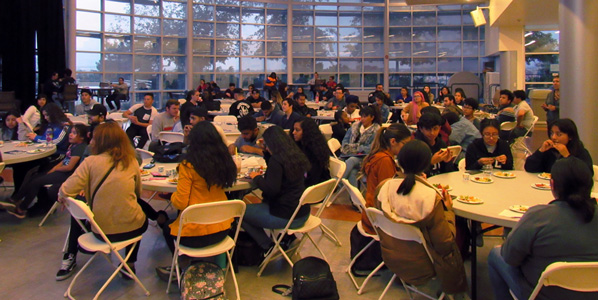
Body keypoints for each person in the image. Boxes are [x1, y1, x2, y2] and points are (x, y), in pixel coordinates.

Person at [488, 157, 598, 300]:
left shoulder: (539, 216)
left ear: (552, 185)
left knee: (496, 254)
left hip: (543, 295)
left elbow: (510, 257)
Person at [53, 122, 147, 281]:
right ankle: (129, 263)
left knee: (80, 202)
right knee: (136, 211)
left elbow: (66, 189)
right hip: (131, 229)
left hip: (100, 231)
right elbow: (138, 193)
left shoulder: (90, 162)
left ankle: (70, 255)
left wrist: (63, 198)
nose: (91, 142)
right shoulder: (131, 161)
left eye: (94, 139)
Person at [376, 140, 468, 297]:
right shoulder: (430, 198)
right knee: (461, 233)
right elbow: (445, 244)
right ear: (426, 164)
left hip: (391, 256)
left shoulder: (384, 188)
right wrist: (448, 211)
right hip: (424, 264)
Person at [155, 122, 238, 277]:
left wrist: (171, 196)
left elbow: (180, 202)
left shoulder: (188, 166)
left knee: (167, 227)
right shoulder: (224, 163)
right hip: (223, 229)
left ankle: (181, 268)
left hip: (195, 235)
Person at [242, 126, 311, 254]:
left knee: (238, 212)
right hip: (302, 212)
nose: (266, 147)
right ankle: (287, 238)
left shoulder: (276, 160)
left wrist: (256, 178)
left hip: (286, 215)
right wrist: (267, 152)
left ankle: (267, 245)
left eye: (267, 145)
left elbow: (271, 189)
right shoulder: (293, 154)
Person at [0, 124, 89, 218]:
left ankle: (21, 209)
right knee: (34, 176)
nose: (70, 135)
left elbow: (69, 167)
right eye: (71, 132)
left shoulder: (80, 148)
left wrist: (56, 169)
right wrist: (53, 169)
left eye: (74, 133)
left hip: (66, 175)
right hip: (61, 171)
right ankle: (16, 200)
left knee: (36, 182)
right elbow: (64, 161)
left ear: (82, 137)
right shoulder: (73, 145)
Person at [361, 123, 411, 233]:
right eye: (405, 144)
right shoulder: (384, 161)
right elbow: (388, 194)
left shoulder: (381, 155)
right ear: (393, 142)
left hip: (373, 211)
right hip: (378, 218)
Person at [525, 118, 593, 174]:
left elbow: (586, 175)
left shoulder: (580, 152)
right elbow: (529, 168)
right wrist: (540, 151)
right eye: (552, 133)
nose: (553, 137)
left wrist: (567, 156)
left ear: (570, 136)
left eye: (559, 134)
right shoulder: (549, 149)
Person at [341, 106, 381, 187]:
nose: (362, 119)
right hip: (348, 154)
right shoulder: (354, 126)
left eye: (365, 117)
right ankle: (355, 198)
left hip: (366, 158)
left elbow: (372, 148)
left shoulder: (376, 130)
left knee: (351, 160)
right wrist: (348, 148)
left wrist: (355, 149)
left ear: (372, 117)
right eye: (361, 116)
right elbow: (345, 140)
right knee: (352, 172)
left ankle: (336, 184)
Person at [292, 117, 331, 187]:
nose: (293, 132)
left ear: (306, 132)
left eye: (297, 130)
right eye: (294, 129)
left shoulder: (314, 152)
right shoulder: (301, 145)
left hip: (316, 188)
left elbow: (312, 179)